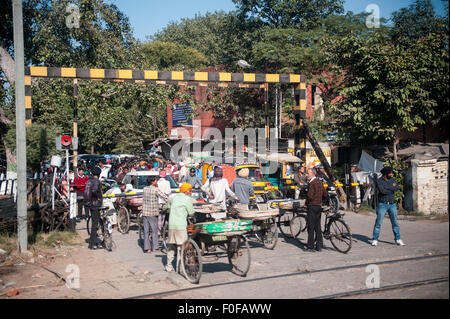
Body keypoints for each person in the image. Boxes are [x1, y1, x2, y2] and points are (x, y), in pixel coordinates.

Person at [371, 166, 405, 247]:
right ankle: (375, 239)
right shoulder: (379, 181)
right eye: (390, 173)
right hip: (382, 204)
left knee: (395, 223)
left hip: (392, 204)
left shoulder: (392, 180)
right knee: (378, 223)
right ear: (385, 174)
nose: (392, 174)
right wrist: (391, 188)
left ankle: (398, 239)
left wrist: (389, 188)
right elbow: (382, 191)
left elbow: (397, 187)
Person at [165, 183, 195, 272]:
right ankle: (179, 267)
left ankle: (169, 266)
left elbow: (167, 206)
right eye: (190, 190)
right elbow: (191, 212)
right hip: (181, 226)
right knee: (181, 247)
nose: (191, 192)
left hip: (171, 226)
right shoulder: (187, 199)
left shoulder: (173, 198)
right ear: (187, 191)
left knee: (171, 247)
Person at [142, 176, 169, 253]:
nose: (157, 182)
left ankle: (147, 248)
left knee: (146, 230)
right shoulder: (156, 189)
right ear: (152, 182)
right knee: (154, 230)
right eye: (156, 180)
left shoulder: (145, 189)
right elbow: (165, 197)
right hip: (153, 212)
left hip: (145, 212)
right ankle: (155, 247)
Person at [305, 168, 328, 252]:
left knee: (311, 226)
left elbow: (310, 196)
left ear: (312, 174)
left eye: (308, 173)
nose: (307, 175)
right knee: (317, 226)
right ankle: (319, 245)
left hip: (312, 206)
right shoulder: (319, 182)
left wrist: (306, 202)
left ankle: (310, 246)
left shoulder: (312, 183)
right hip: (318, 206)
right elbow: (325, 194)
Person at [84, 167, 103, 250]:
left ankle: (92, 242)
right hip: (95, 203)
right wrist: (99, 197)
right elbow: (94, 190)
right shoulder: (96, 181)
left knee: (94, 223)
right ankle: (92, 244)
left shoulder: (89, 181)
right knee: (95, 225)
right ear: (99, 174)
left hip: (89, 203)